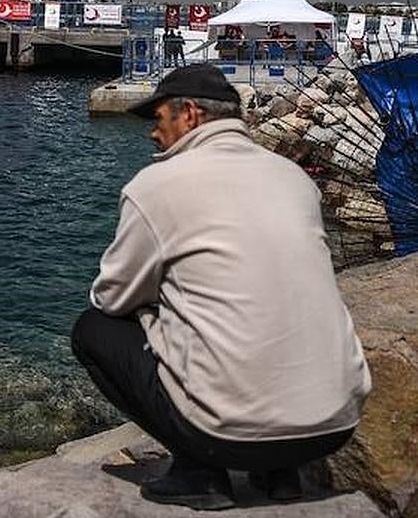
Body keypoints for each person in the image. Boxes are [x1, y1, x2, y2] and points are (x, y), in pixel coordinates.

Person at [72, 64, 370, 510]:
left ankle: (200, 473)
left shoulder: (156, 185)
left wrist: (157, 308)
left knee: (93, 330)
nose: (153, 134)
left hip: (229, 436)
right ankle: (278, 474)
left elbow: (111, 297)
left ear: (189, 114)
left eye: (158, 119)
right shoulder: (294, 178)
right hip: (333, 428)